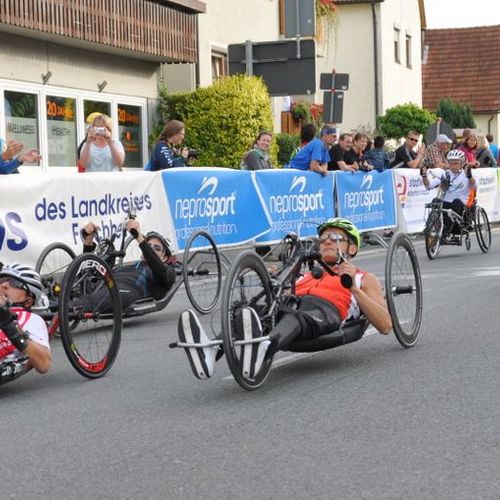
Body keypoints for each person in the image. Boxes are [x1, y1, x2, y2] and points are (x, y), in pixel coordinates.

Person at [176, 218, 392, 379]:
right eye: (323, 238)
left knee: (295, 316)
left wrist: (354, 288)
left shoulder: (364, 277)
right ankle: (210, 351)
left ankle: (263, 348)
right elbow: (283, 295)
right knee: (249, 310)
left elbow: (385, 325)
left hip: (325, 312)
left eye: (335, 238)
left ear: (352, 248)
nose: (326, 242)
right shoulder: (307, 274)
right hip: (293, 305)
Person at [79, 219, 176, 312]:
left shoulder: (168, 272)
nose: (151, 248)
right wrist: (88, 243)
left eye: (157, 248)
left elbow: (160, 271)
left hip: (123, 290)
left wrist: (140, 239)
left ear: (164, 257)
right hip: (103, 285)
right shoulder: (129, 267)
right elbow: (91, 277)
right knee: (74, 287)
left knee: (89, 302)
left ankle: (66, 311)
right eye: (148, 245)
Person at [0, 264, 51, 385]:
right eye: (2, 280)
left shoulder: (32, 319)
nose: (3, 285)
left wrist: (8, 323)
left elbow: (44, 363)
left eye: (13, 282)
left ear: (29, 298)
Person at [421, 149, 476, 238]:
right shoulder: (445, 174)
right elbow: (429, 186)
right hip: (446, 203)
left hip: (461, 205)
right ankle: (430, 226)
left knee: (456, 201)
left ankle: (448, 229)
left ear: (462, 163)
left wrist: (470, 176)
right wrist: (424, 176)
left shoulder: (466, 174)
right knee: (435, 200)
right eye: (451, 163)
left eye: (456, 163)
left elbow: (474, 187)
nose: (453, 166)